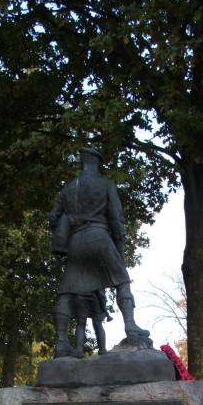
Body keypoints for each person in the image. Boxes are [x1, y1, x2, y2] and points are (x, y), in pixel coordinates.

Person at [49, 147, 150, 358]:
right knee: (122, 280)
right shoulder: (106, 185)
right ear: (97, 163)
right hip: (100, 238)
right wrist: (120, 244)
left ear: (82, 162)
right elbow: (116, 218)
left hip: (76, 242)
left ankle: (61, 342)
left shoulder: (67, 189)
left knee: (66, 291)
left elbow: (53, 218)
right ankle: (130, 326)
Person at [73, 290, 110, 358]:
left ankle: (79, 350)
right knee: (98, 323)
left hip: (80, 294)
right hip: (96, 295)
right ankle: (102, 350)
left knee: (81, 324)